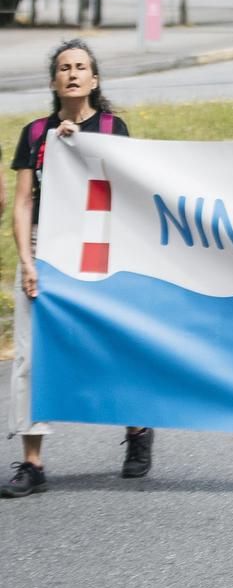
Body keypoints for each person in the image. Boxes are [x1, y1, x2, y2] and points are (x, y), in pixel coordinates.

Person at [6, 41, 147, 498]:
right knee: (30, 356)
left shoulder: (111, 127)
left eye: (81, 67)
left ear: (95, 79)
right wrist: (27, 261)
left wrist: (81, 148)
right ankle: (32, 461)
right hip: (44, 247)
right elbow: (24, 201)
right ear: (53, 81)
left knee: (112, 345)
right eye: (63, 68)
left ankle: (137, 428)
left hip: (96, 246)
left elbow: (126, 187)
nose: (72, 74)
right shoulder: (34, 134)